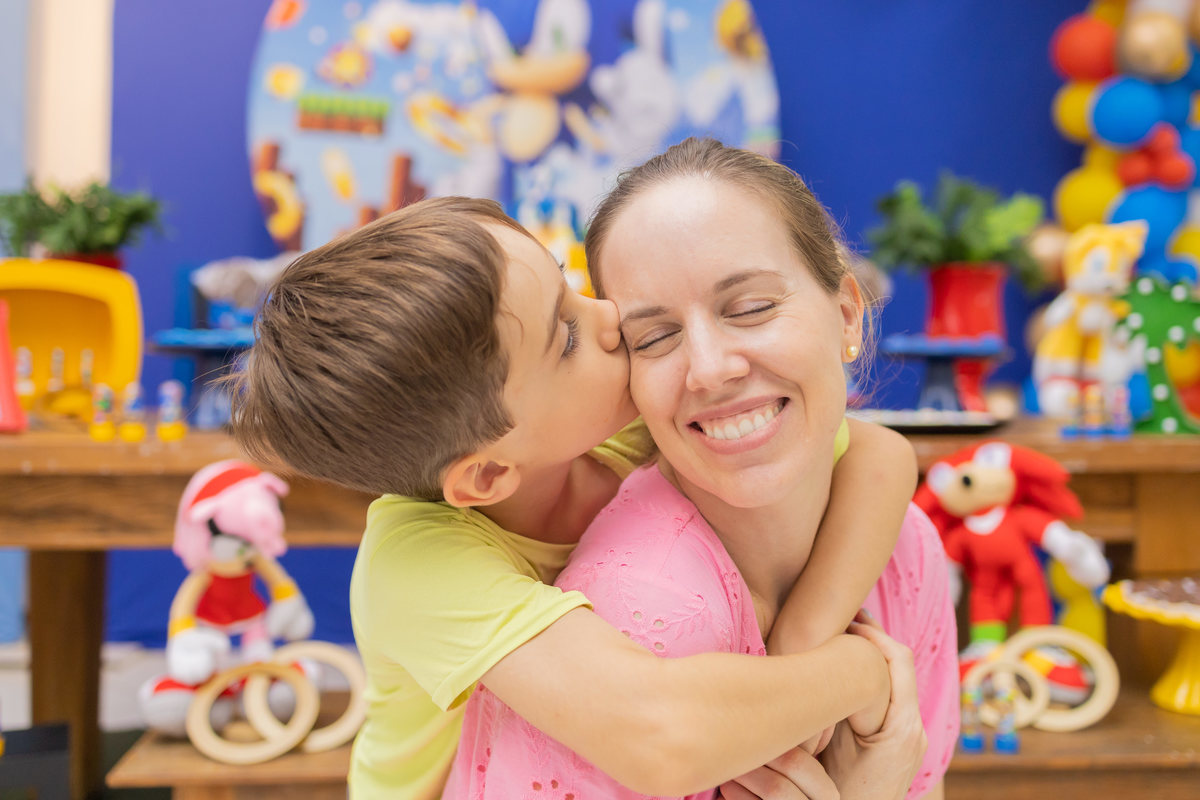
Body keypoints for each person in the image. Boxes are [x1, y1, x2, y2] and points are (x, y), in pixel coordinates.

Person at [228, 195, 918, 800]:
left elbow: (877, 454)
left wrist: (805, 635)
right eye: (565, 337)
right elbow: (660, 737)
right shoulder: (414, 565)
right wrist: (859, 673)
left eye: (569, 286)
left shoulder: (608, 430)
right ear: (488, 478)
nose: (610, 318)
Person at [445, 139, 960, 800]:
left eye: (750, 308)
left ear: (846, 315)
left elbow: (884, 455)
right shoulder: (639, 610)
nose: (711, 367)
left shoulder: (905, 547)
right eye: (654, 337)